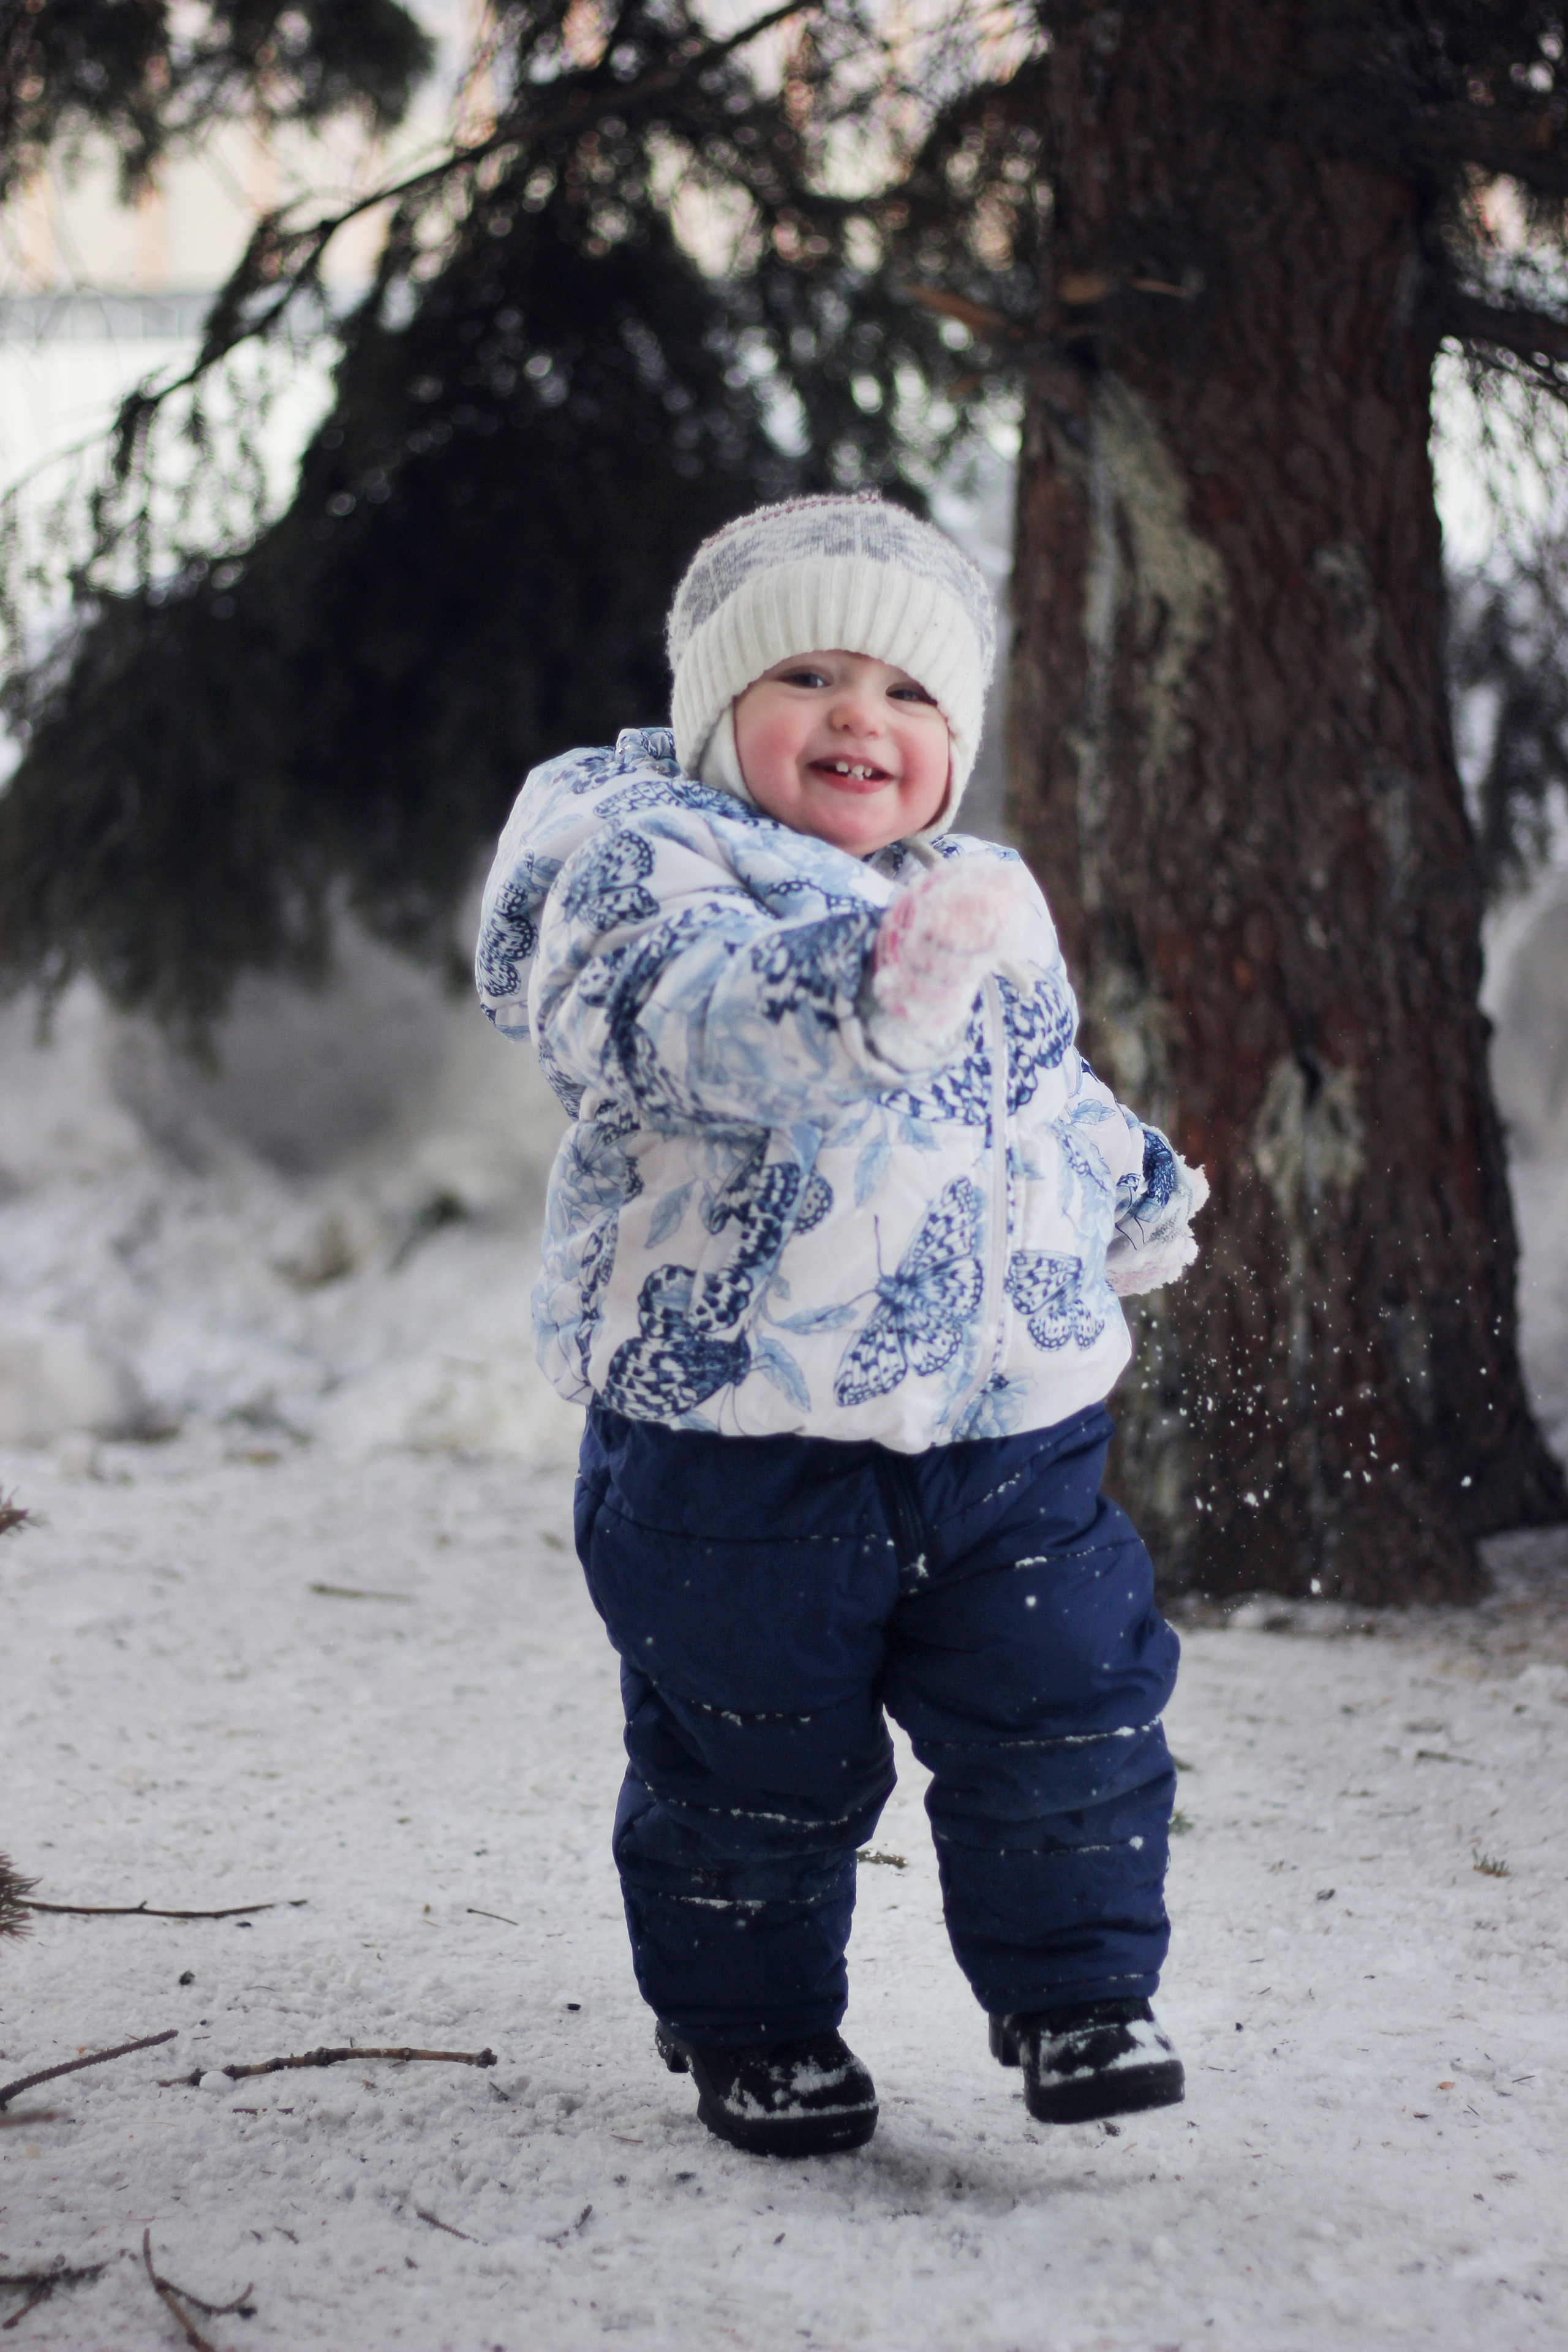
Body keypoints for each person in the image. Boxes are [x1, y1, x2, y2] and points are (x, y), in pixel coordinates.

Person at [475, 493, 1208, 2160]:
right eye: (806, 673)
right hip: (739, 1456)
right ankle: (758, 2031)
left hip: (1007, 1439)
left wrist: (1126, 1186)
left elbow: (1031, 1093)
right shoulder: (646, 870)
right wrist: (861, 995)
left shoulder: (975, 890)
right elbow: (691, 1031)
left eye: (908, 692)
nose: (859, 717)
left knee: (1072, 1705)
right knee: (751, 1768)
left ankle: (1080, 1997)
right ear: (715, 713)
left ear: (954, 744)